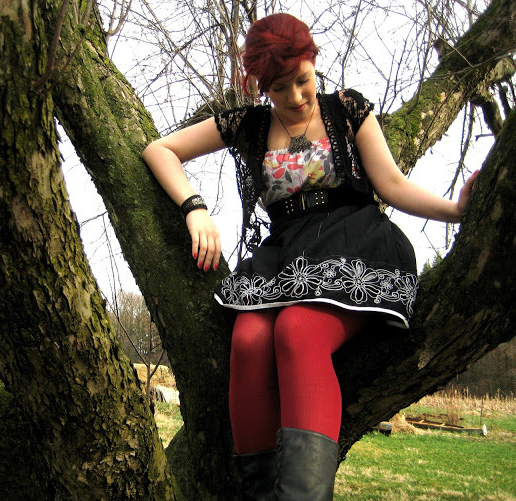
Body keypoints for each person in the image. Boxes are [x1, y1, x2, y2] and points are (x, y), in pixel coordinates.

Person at [142, 13, 478, 500]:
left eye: (302, 79)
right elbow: (160, 150)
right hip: (286, 254)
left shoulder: (347, 109)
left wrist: (456, 211)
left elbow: (392, 184)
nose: (297, 96)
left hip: (352, 242)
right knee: (249, 341)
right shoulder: (250, 125)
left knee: (297, 331)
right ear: (262, 88)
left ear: (313, 62)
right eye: (279, 88)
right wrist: (194, 208)